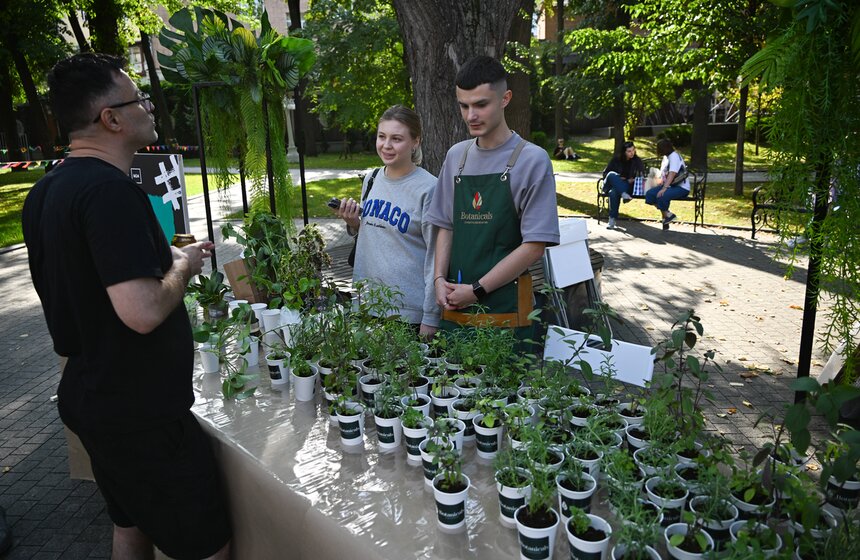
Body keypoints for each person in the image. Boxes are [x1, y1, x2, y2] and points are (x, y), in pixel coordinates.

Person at [21, 53, 231, 560]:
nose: (150, 107)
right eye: (138, 99)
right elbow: (141, 311)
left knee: (131, 526)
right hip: (142, 418)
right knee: (207, 549)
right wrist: (181, 264)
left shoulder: (47, 189)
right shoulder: (109, 192)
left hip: (94, 397)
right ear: (111, 119)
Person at [427, 55, 560, 334]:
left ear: (505, 98)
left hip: (508, 311)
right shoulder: (456, 157)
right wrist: (439, 278)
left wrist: (476, 289)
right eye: (463, 106)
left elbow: (535, 245)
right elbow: (445, 226)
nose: (470, 116)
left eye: (481, 104)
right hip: (455, 306)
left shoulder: (532, 160)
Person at [335, 105, 440, 337]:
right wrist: (353, 223)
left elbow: (437, 256)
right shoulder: (371, 179)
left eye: (397, 138)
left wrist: (431, 316)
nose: (386, 145)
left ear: (415, 142)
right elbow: (376, 233)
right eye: (382, 137)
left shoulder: (430, 188)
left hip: (407, 313)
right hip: (366, 303)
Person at [644, 138, 690, 230]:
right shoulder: (666, 157)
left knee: (662, 195)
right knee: (650, 194)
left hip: (681, 187)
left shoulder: (674, 156)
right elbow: (663, 174)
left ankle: (666, 219)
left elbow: (672, 173)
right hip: (669, 186)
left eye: (659, 149)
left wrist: (664, 188)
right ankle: (668, 214)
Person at [602, 140, 645, 229]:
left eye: (633, 150)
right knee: (611, 174)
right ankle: (623, 194)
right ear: (624, 152)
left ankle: (612, 219)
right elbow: (605, 174)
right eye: (629, 151)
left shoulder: (637, 161)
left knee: (613, 192)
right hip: (612, 183)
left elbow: (642, 176)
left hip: (627, 185)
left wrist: (632, 180)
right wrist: (618, 178)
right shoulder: (616, 159)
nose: (632, 153)